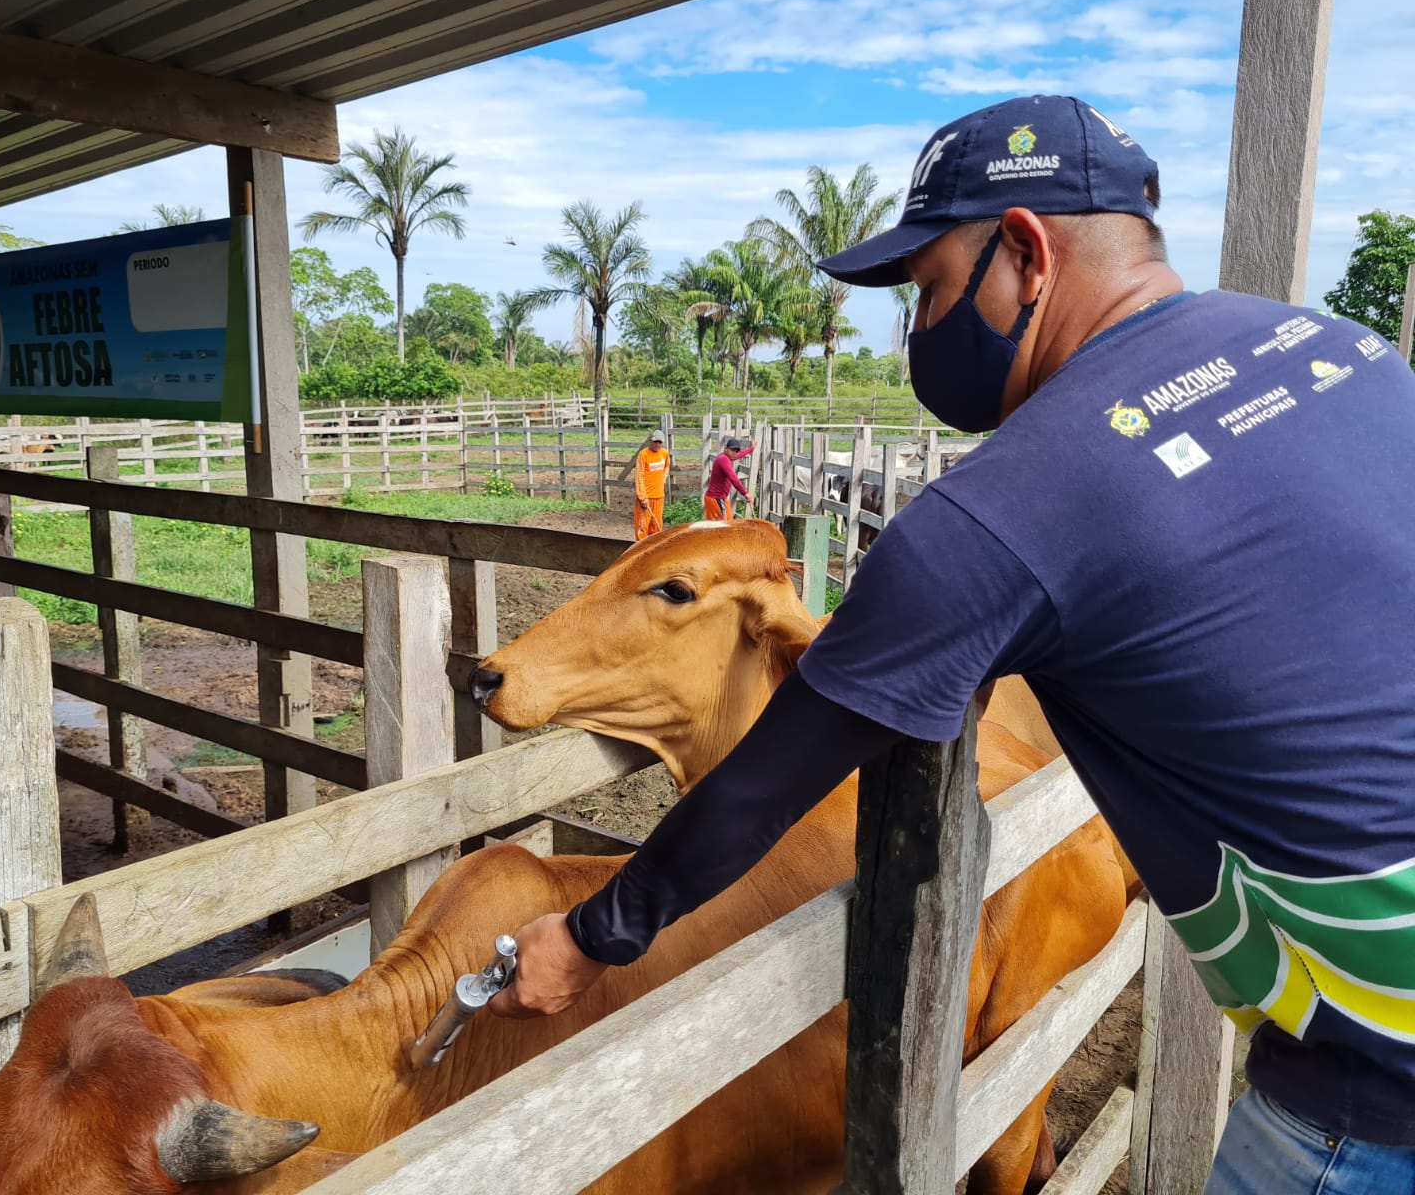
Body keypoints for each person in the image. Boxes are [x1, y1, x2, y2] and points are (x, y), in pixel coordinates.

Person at [492, 94, 1415, 1195]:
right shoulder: (1334, 347)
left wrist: (592, 935)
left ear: (1023, 255)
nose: (919, 330)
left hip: (1371, 1098)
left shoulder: (1005, 508)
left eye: (928, 289)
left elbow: (761, 788)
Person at [703, 437, 754, 521]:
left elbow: (739, 454)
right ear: (726, 448)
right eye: (732, 450)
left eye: (736, 451)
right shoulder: (723, 459)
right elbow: (733, 478)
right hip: (717, 498)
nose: (735, 453)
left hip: (713, 498)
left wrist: (751, 449)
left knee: (714, 528)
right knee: (728, 526)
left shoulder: (724, 457)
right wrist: (745, 493)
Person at [633, 428, 671, 540]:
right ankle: (640, 551)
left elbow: (667, 466)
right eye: (655, 442)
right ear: (651, 441)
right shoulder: (643, 454)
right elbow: (639, 475)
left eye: (660, 442)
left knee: (656, 527)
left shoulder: (664, 453)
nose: (657, 444)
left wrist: (663, 479)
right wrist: (642, 497)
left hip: (659, 496)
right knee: (642, 527)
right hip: (646, 498)